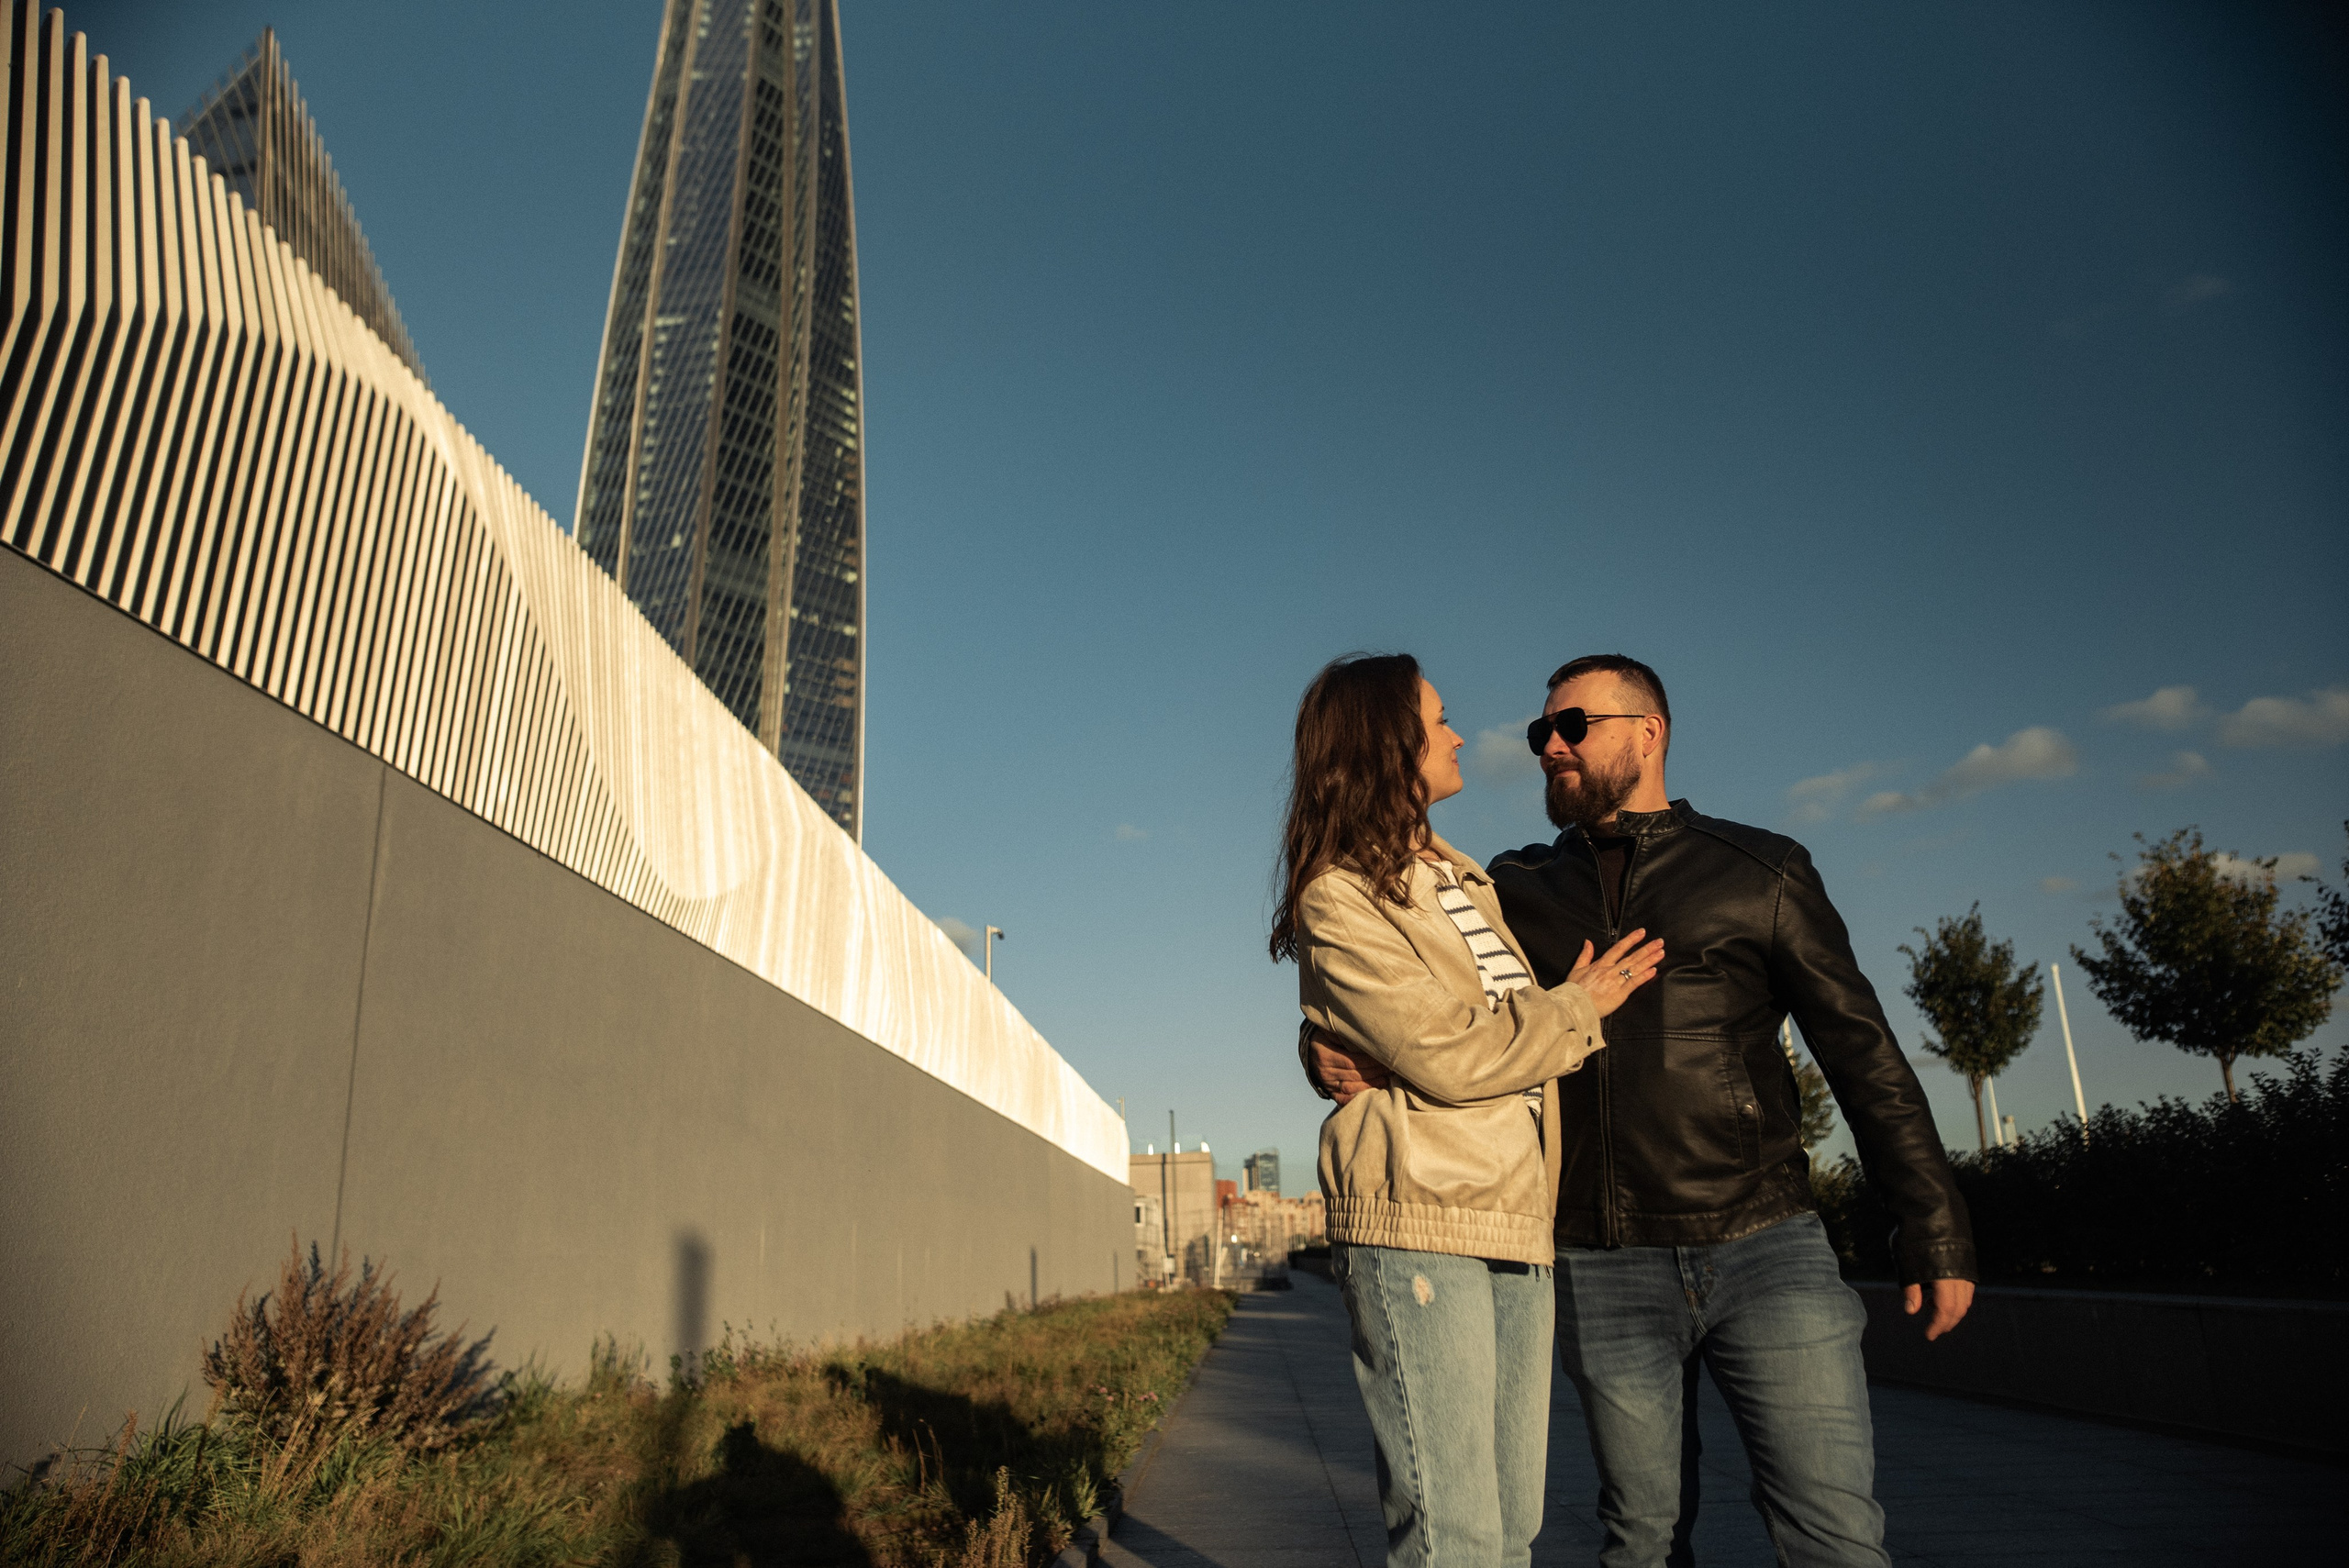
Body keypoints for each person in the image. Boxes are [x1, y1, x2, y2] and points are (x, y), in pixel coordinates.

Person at [1308, 654, 1976, 1568]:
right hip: (1600, 1260)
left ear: (1649, 731)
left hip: (1764, 1242)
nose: (1549, 746)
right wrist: (1320, 1045)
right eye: (1540, 731)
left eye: (1572, 726)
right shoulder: (1510, 888)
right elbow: (1412, 987)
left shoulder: (1761, 870)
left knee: (1833, 1531)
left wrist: (1933, 1225)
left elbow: (1863, 1054)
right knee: (1640, 1544)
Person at [1272, 653, 1664, 1568]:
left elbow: (1438, 1029)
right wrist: (1577, 1006)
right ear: (1386, 743)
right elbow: (1447, 1050)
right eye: (1439, 718)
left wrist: (1327, 1039)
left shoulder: (1468, 883)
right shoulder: (1340, 893)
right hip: (1422, 1221)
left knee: (1511, 1527)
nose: (1457, 735)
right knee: (1454, 1538)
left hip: (1514, 1220)